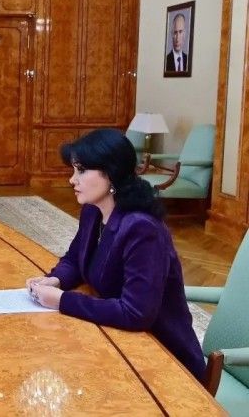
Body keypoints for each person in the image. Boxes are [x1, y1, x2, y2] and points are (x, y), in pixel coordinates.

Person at [25, 128, 205, 381]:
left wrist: (62, 300)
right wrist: (55, 280)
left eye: (81, 170)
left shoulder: (142, 229)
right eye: (73, 170)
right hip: (120, 341)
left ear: (110, 173)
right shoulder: (93, 211)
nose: (72, 180)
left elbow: (136, 313)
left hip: (164, 361)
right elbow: (75, 259)